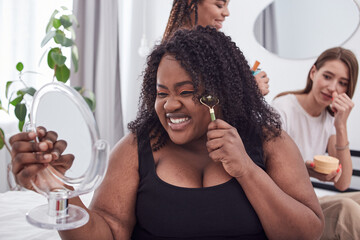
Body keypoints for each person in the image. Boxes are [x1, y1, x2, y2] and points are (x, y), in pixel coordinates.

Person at [10, 26, 324, 239]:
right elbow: (106, 233)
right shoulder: (136, 148)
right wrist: (60, 190)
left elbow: (308, 232)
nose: (169, 105)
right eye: (161, 93)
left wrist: (246, 170)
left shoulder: (269, 141)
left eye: (186, 92)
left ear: (223, 93)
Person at [272, 46, 360, 239]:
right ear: (313, 73)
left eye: (342, 83)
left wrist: (341, 125)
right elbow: (270, 174)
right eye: (327, 77)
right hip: (285, 208)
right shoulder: (283, 109)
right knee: (346, 210)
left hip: (307, 203)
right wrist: (306, 171)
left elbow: (343, 183)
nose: (333, 88)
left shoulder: (329, 120)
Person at [163, 0, 270, 96]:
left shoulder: (198, 49)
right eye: (219, 5)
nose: (226, 13)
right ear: (191, 3)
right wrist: (251, 90)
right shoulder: (182, 51)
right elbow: (207, 103)